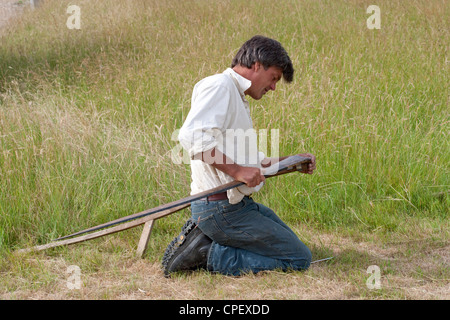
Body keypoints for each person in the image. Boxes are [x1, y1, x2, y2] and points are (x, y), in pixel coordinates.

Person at [162, 35, 316, 276]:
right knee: (299, 258)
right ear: (256, 65)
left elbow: (256, 164)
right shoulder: (220, 86)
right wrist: (238, 172)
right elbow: (191, 136)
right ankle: (208, 253)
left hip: (234, 206)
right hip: (220, 210)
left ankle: (207, 238)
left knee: (288, 243)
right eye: (273, 78)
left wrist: (293, 161)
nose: (273, 87)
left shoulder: (235, 94)